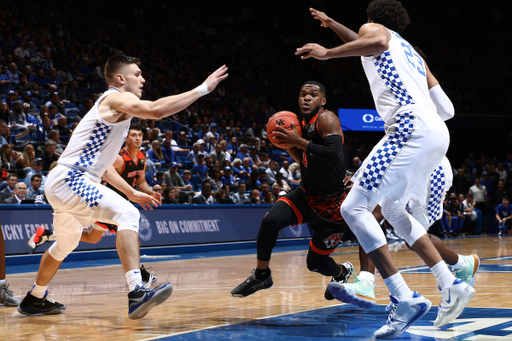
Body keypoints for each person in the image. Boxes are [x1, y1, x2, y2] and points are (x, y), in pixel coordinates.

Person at [296, 3, 473, 336]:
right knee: (392, 209)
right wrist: (333, 23)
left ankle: (397, 293)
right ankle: (451, 284)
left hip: (407, 129)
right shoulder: (410, 53)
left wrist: (327, 52)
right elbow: (445, 108)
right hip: (436, 135)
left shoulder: (376, 34)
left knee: (353, 206)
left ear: (371, 18)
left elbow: (372, 41)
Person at [16, 52, 227, 319]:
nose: (143, 79)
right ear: (120, 78)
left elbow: (103, 165)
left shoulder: (116, 112)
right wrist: (203, 88)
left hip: (67, 181)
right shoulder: (115, 97)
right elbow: (156, 110)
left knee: (65, 245)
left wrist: (130, 191)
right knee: (127, 214)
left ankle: (35, 298)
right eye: (137, 74)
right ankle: (137, 291)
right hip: (72, 179)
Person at [232, 81, 349, 308]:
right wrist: (288, 144)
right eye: (303, 94)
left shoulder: (327, 119)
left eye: (313, 95)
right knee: (270, 221)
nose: (306, 98)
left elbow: (335, 155)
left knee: (315, 264)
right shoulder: (300, 123)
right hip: (307, 195)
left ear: (322, 100)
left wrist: (299, 141)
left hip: (331, 206)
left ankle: (342, 272)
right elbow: (305, 158)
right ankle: (261, 276)